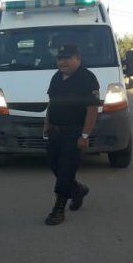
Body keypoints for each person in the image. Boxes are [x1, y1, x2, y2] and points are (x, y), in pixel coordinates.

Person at [43, 44, 100, 226]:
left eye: (67, 58)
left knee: (66, 169)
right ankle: (78, 189)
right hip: (55, 131)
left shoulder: (87, 78)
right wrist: (47, 123)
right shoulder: (56, 77)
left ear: (78, 58)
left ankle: (58, 209)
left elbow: (92, 109)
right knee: (55, 166)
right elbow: (51, 103)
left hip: (74, 131)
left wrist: (84, 135)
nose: (62, 62)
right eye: (60, 59)